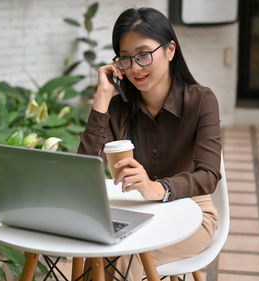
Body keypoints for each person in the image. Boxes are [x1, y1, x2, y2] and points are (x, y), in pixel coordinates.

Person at [77, 7, 222, 280]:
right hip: (137, 212)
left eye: (144, 55)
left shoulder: (201, 100)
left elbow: (209, 175)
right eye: (125, 58)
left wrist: (158, 188)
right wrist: (102, 98)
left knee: (120, 261)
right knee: (101, 255)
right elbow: (82, 172)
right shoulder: (118, 107)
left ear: (170, 50)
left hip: (192, 214)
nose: (135, 68)